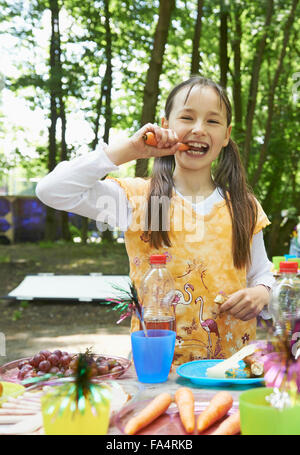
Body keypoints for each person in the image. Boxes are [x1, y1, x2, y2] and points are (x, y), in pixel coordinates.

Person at [36, 76, 274, 364]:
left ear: (226, 135)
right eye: (187, 117)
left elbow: (261, 272)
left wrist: (263, 292)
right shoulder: (139, 200)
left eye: (212, 121)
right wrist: (130, 150)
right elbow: (52, 190)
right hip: (156, 372)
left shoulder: (243, 206)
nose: (199, 129)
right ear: (166, 125)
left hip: (232, 372)